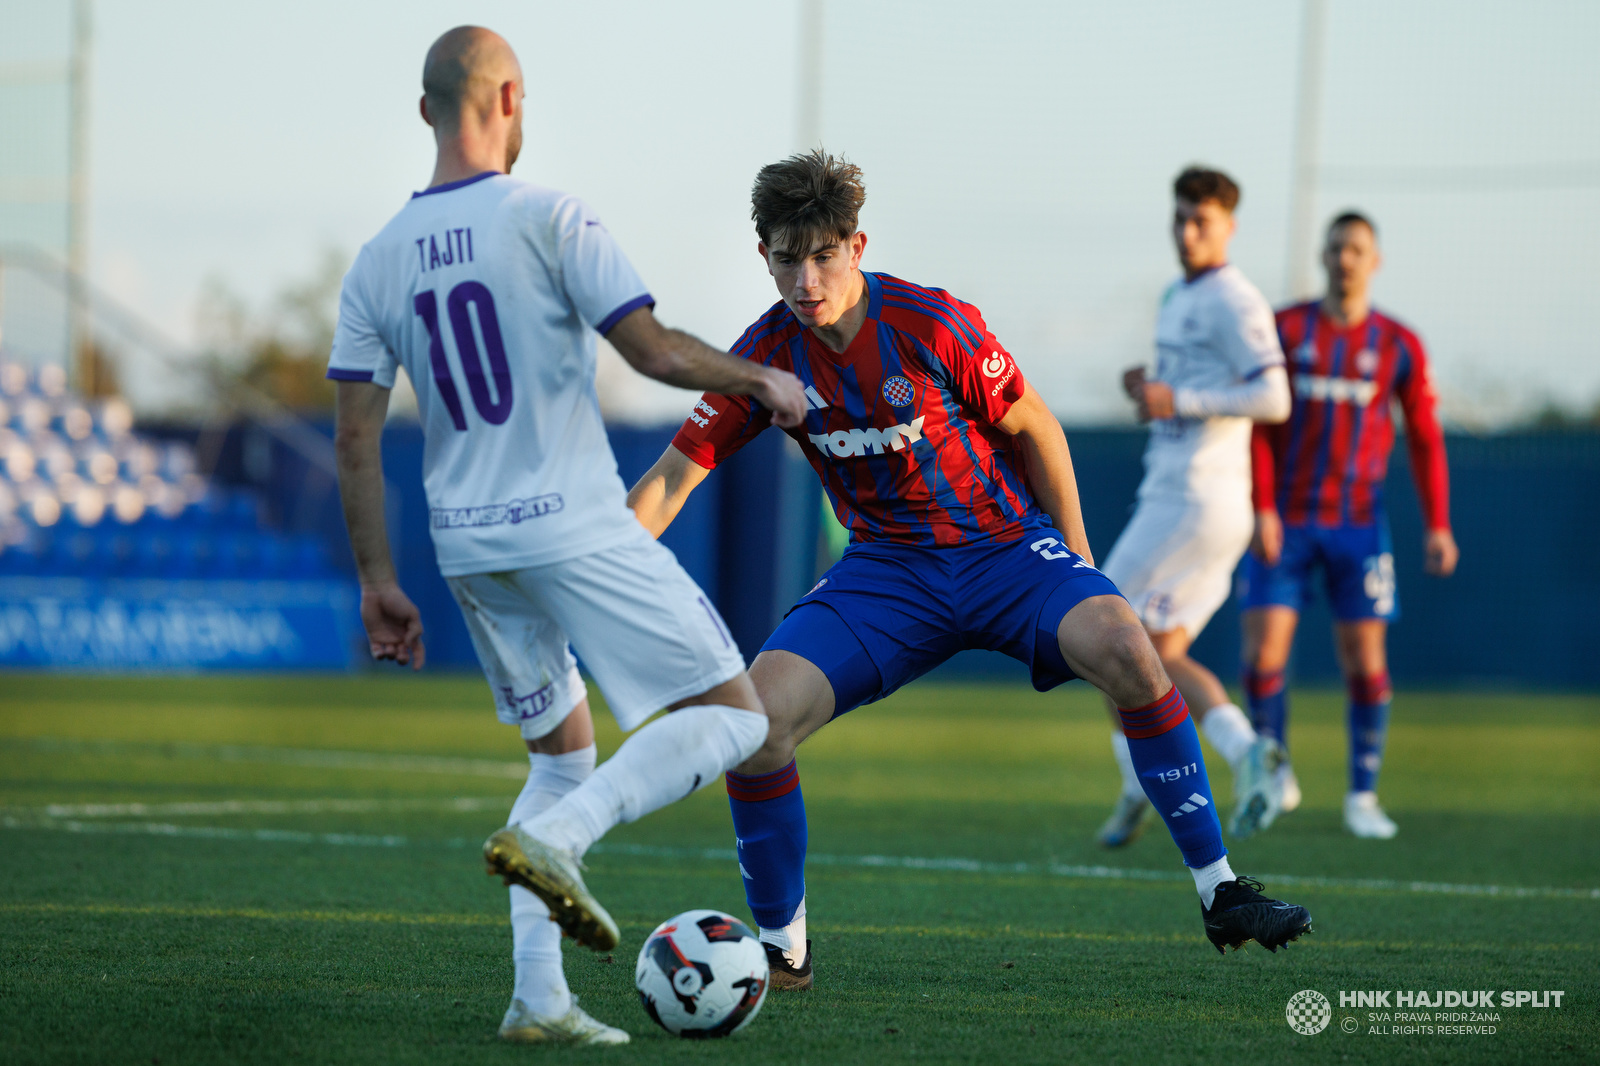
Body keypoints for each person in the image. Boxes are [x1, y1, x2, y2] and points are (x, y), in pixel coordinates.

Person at [627, 149, 1311, 990]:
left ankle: (1222, 892)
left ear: (857, 245)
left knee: (1131, 648)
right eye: (785, 258)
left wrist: (1082, 566)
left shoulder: (932, 324)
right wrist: (596, 576)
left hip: (1004, 551)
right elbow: (668, 480)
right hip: (887, 575)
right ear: (761, 255)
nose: (806, 280)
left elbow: (1036, 427)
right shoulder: (761, 363)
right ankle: (781, 949)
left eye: (823, 255)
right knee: (756, 726)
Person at [326, 26, 808, 1045]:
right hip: (568, 522)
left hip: (463, 543)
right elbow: (652, 351)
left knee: (560, 755)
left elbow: (355, 442)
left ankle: (536, 999)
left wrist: (378, 578)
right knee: (737, 719)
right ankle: (567, 841)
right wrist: (757, 377)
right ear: (511, 99)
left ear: (426, 111)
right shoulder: (549, 216)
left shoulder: (376, 260)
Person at [1240, 211, 1457, 839]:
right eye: (1336, 247)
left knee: (1365, 662)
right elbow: (1257, 424)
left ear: (1375, 260)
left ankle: (1362, 796)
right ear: (1323, 256)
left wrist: (1438, 524)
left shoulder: (1399, 344)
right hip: (1286, 519)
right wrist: (1261, 507)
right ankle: (1276, 775)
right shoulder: (1286, 330)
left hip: (1359, 525)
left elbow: (1423, 436)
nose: (1345, 259)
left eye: (1357, 249)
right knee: (1263, 653)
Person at [1096, 167, 1294, 848]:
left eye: (1201, 220)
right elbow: (1189, 387)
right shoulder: (1179, 294)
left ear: (1229, 226)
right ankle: (1250, 754)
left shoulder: (1236, 300)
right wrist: (1154, 386)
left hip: (1191, 501)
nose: (1186, 232)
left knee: (1095, 632)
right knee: (1159, 652)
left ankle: (1136, 780)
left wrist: (1177, 400)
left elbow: (1274, 399)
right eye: (1179, 218)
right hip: (1195, 501)